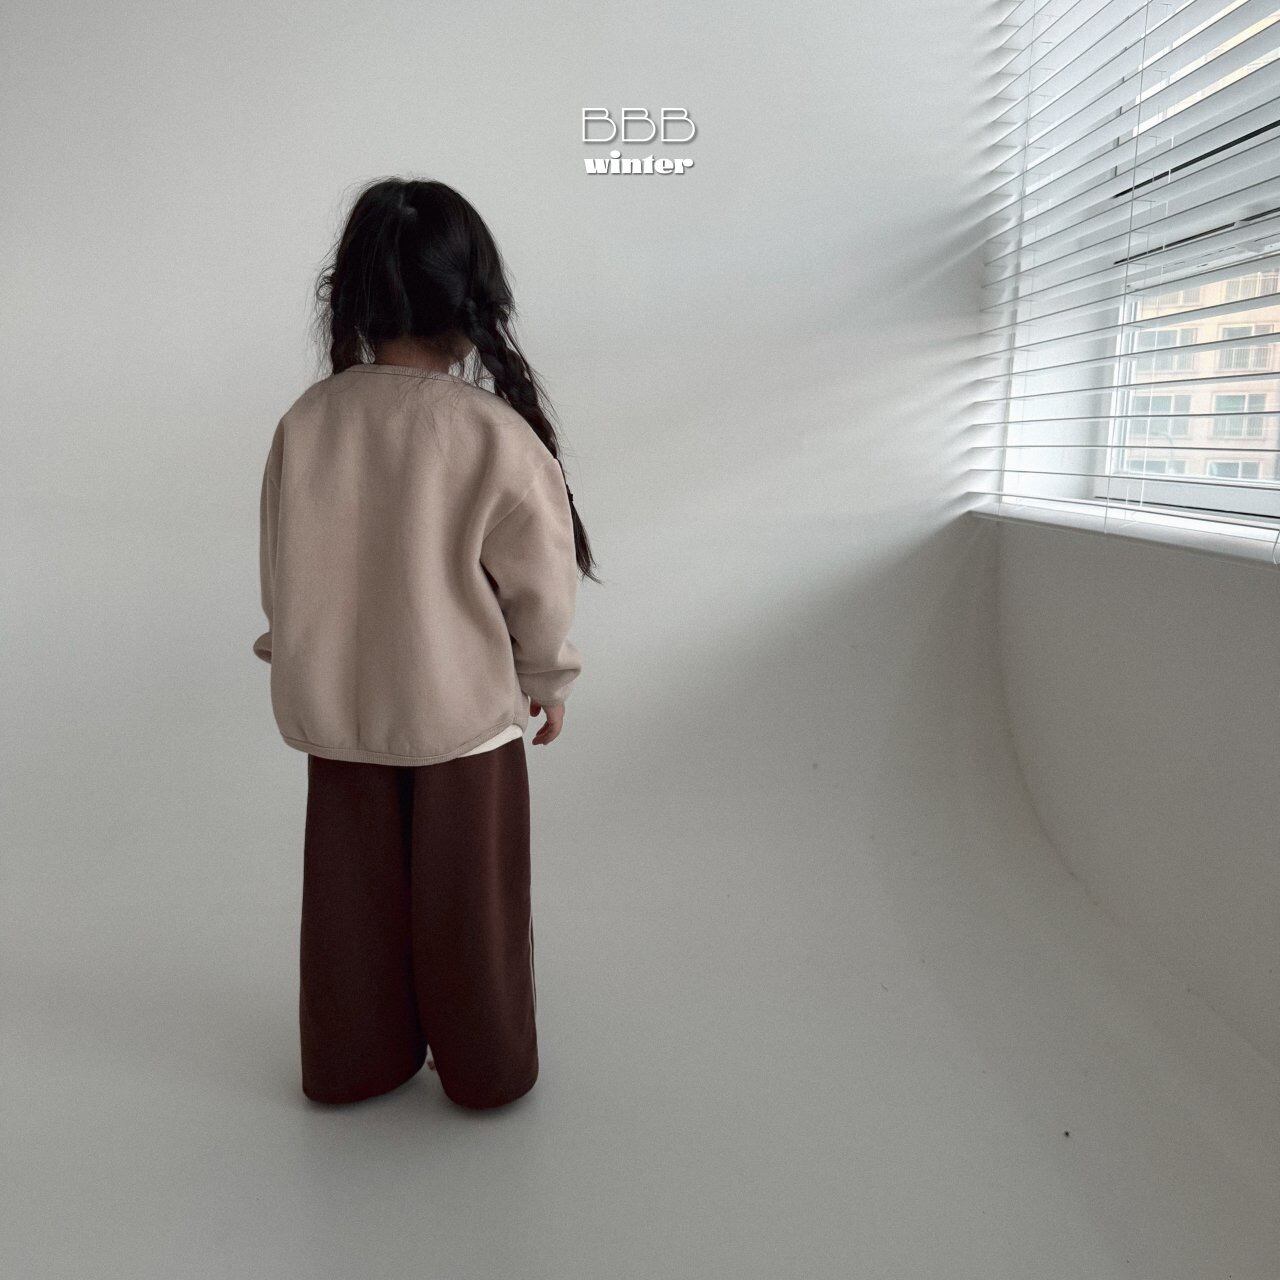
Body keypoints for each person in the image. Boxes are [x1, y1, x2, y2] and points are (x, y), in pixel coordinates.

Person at [253, 177, 593, 1109]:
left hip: (342, 713)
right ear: (472, 304)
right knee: (470, 910)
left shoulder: (308, 423)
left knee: (349, 911)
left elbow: (284, 563)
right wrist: (548, 678)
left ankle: (353, 1061)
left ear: (352, 297)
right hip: (462, 722)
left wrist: (295, 647)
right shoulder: (492, 434)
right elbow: (539, 585)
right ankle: (485, 1069)